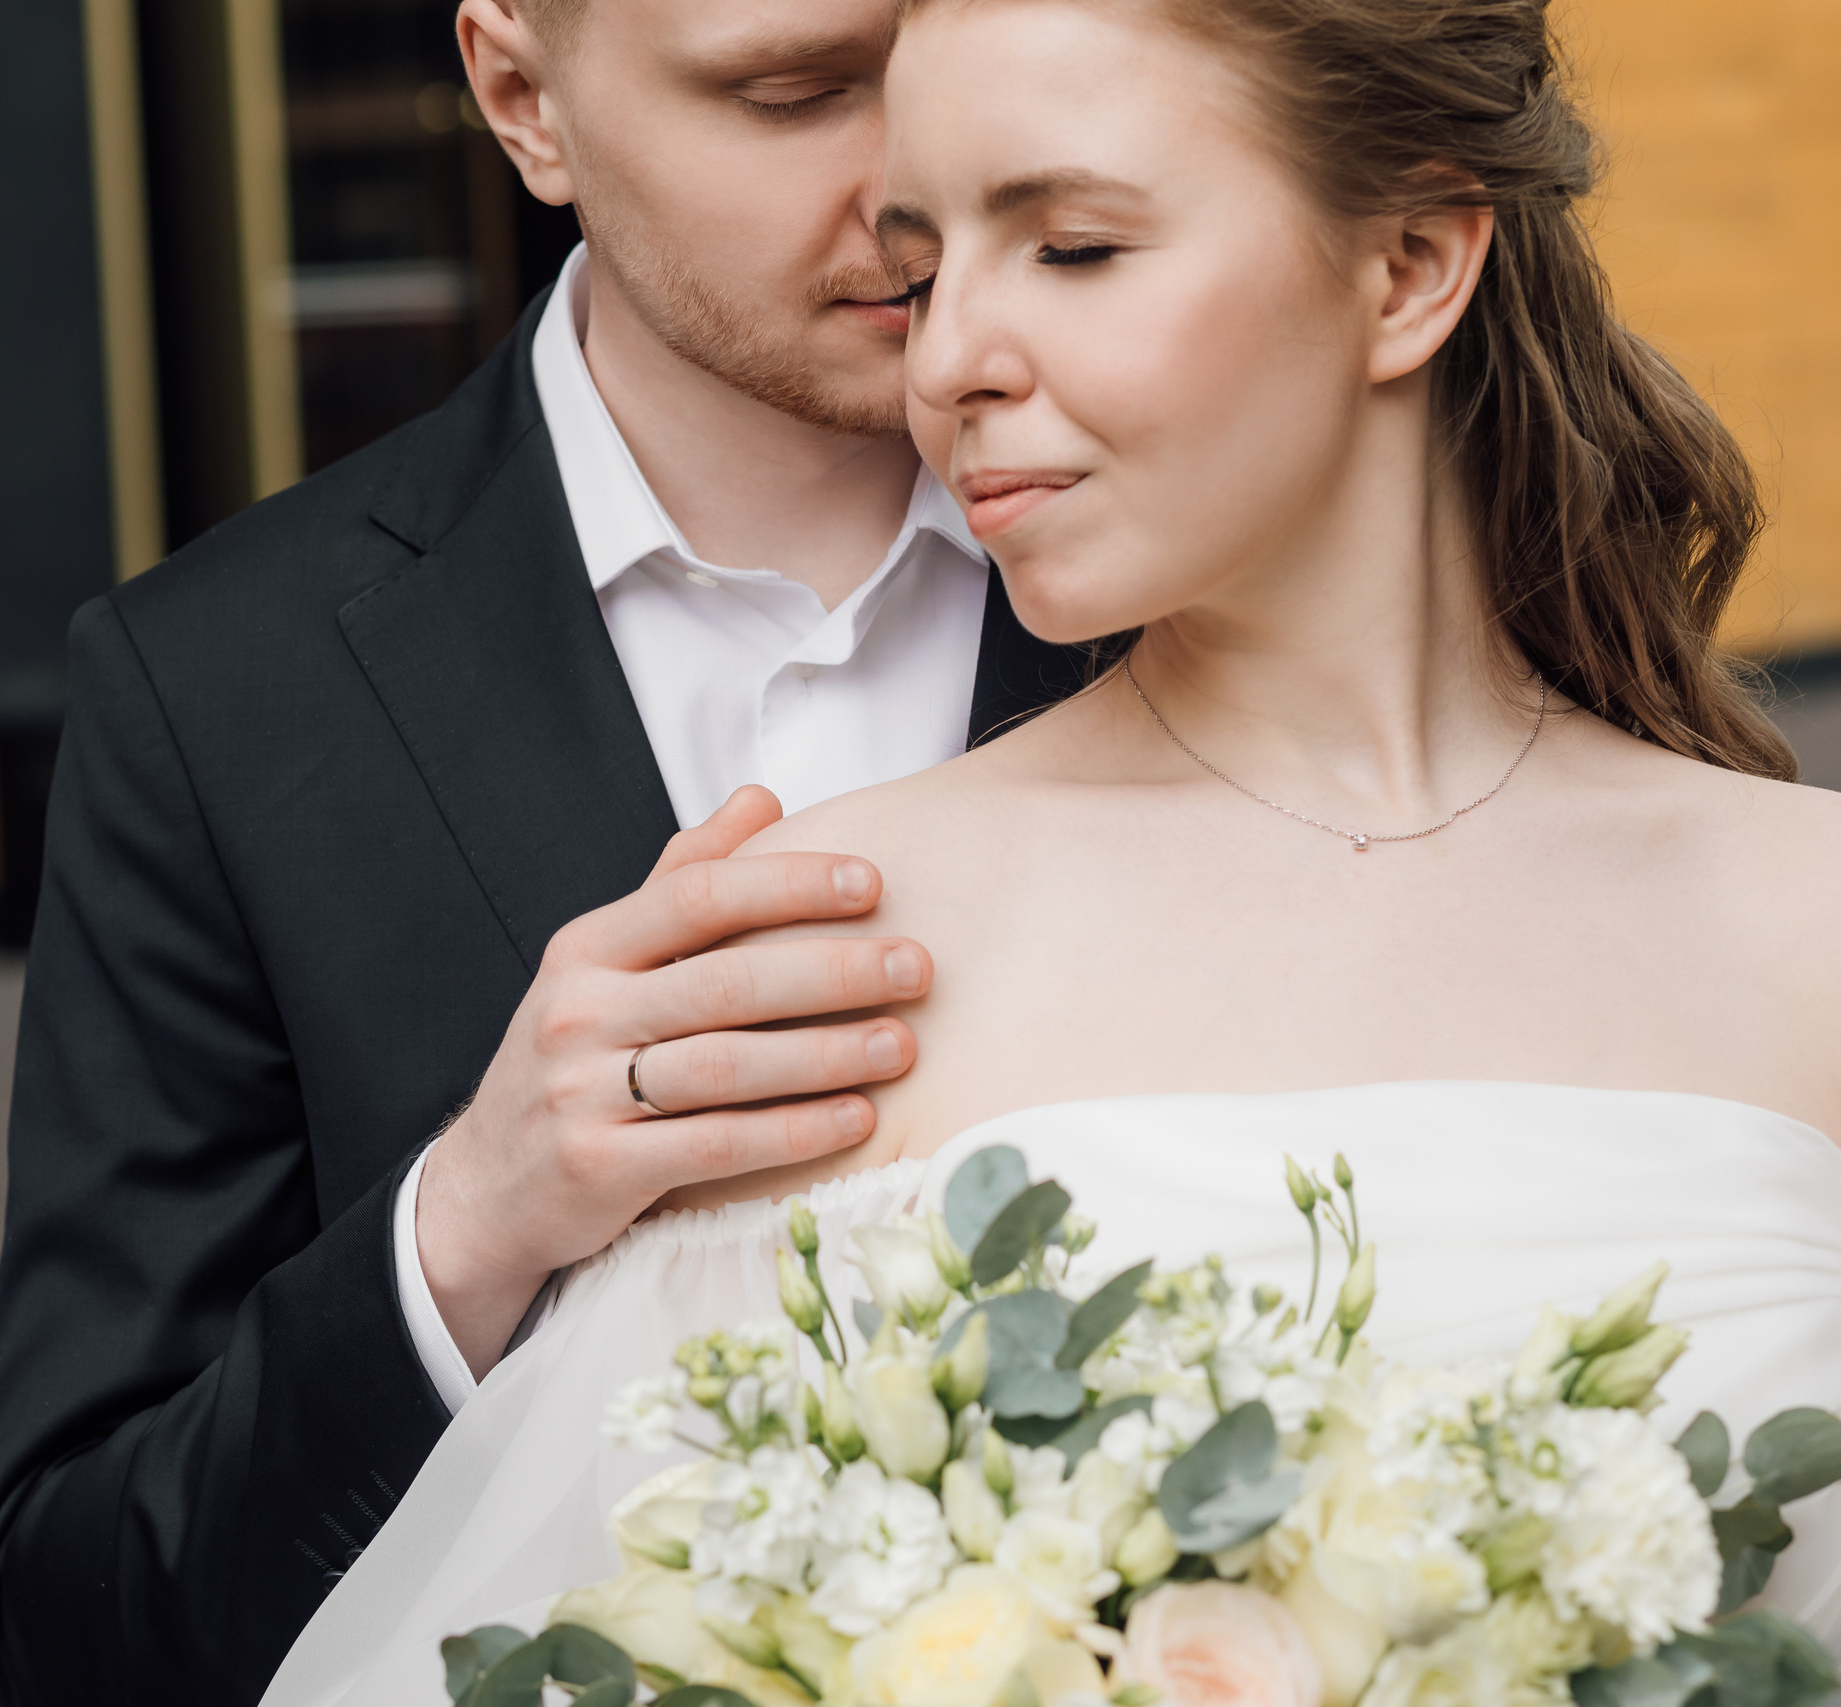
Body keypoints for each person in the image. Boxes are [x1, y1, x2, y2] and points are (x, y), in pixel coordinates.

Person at [258, 0, 1841, 1697]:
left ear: (1407, 270)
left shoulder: (1806, 914)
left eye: (1074, 247)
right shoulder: (819, 952)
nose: (942, 363)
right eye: (926, 268)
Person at [0, 0, 1082, 1700]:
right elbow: (79, 1621)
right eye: (793, 93)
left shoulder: (1237, 573)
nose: (919, 188)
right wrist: (470, 1222)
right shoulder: (214, 691)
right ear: (518, 97)